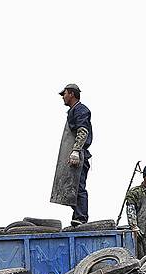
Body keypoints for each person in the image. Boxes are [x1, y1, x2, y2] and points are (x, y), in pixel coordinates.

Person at [61, 83, 93, 226]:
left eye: (65, 93)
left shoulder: (80, 110)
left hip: (79, 155)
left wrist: (76, 150)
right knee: (72, 186)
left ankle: (81, 217)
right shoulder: (72, 111)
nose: (63, 97)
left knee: (79, 187)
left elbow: (83, 131)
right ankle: (77, 216)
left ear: (72, 94)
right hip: (75, 155)